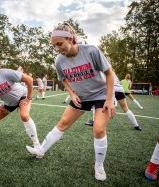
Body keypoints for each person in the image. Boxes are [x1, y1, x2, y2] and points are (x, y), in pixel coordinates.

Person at [26, 23, 116, 181]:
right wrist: (72, 93)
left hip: (101, 95)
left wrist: (109, 98)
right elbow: (63, 79)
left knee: (99, 129)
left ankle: (99, 165)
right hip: (81, 96)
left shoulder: (91, 50)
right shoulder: (59, 60)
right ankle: (41, 150)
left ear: (71, 38)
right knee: (63, 123)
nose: (57, 48)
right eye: (54, 45)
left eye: (59, 43)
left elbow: (109, 73)